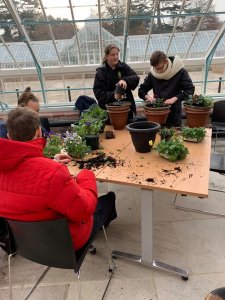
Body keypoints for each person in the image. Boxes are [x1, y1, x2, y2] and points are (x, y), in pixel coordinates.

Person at [0, 107, 117, 251]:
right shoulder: (53, 174)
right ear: (39, 131)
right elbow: (84, 210)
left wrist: (49, 161)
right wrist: (86, 175)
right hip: (62, 245)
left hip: (26, 244)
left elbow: (25, 173)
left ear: (9, 135)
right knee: (108, 200)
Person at [138, 50, 195, 127]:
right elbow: (141, 90)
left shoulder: (179, 71)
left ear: (166, 62)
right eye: (155, 68)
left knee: (174, 137)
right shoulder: (153, 74)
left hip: (174, 114)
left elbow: (190, 90)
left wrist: (175, 98)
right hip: (157, 114)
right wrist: (147, 97)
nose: (157, 71)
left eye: (160, 68)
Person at [93, 43, 140, 121]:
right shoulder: (101, 72)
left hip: (126, 110)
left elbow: (136, 78)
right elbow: (98, 94)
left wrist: (125, 80)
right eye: (112, 54)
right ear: (107, 56)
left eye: (117, 54)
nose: (116, 57)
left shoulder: (123, 67)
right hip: (108, 113)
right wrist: (114, 95)